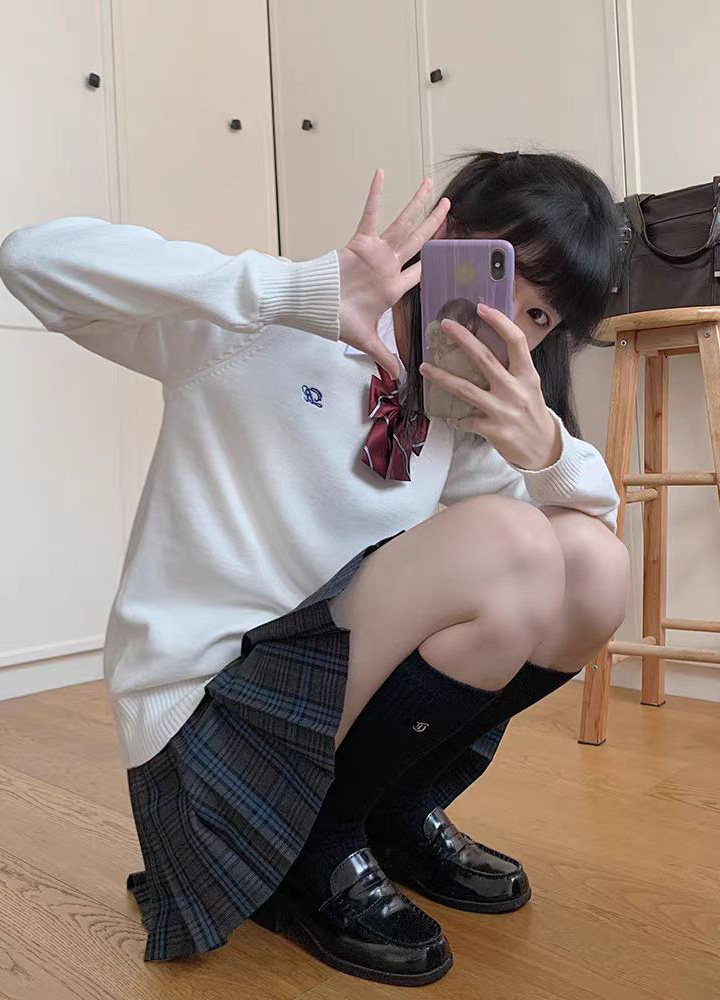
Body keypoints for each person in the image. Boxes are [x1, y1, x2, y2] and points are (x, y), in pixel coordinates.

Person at [0, 149, 630, 988]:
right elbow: (31, 260)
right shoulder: (265, 322)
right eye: (501, 273)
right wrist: (296, 290)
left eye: (540, 315)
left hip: (317, 704)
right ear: (445, 234)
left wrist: (545, 445)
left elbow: (590, 541)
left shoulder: (455, 415)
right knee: (511, 542)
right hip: (208, 724)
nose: (504, 320)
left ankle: (388, 813)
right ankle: (314, 852)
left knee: (591, 565)